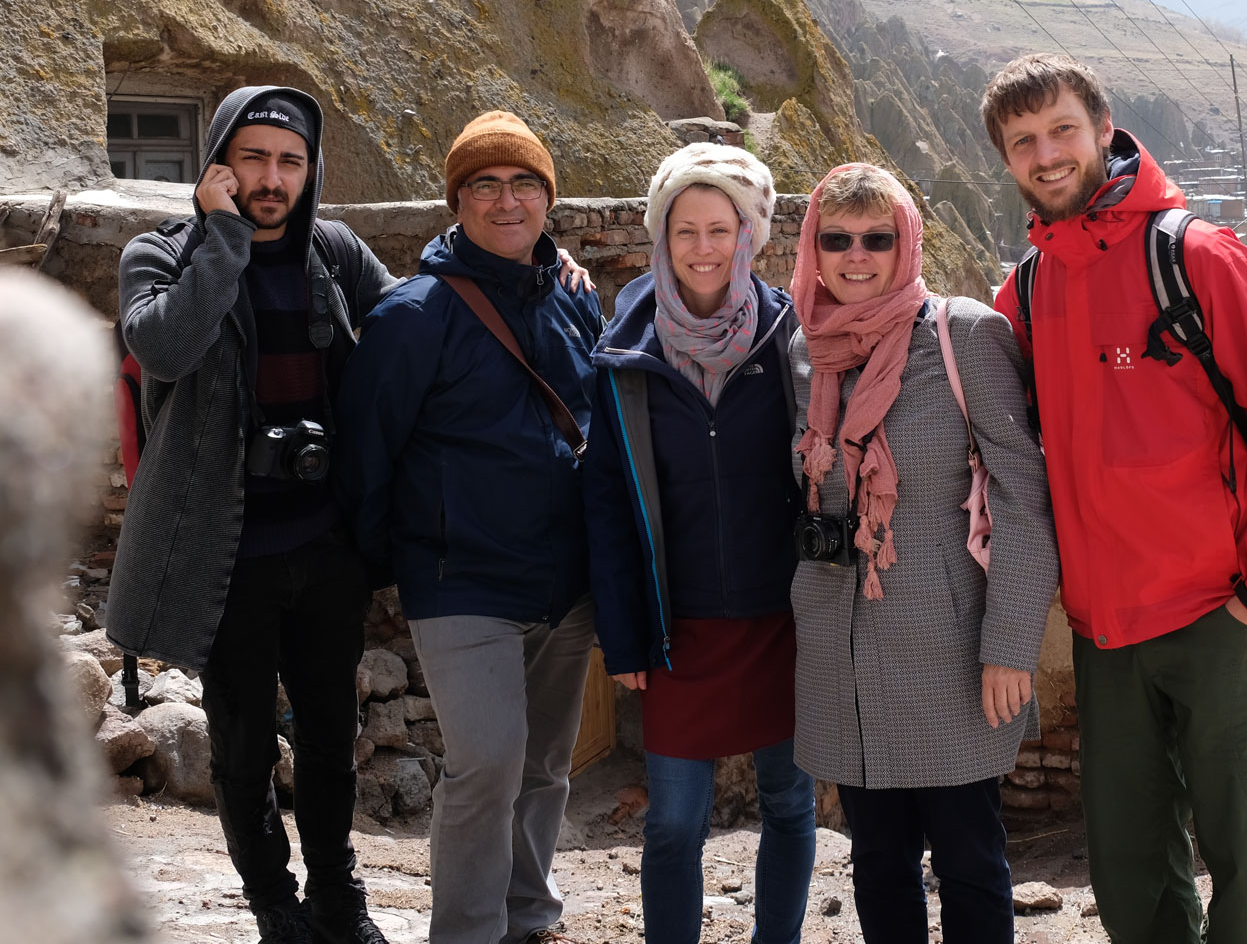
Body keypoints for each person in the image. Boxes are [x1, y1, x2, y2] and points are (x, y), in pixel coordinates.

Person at [984, 54, 1247, 944]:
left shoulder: (1195, 259)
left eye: (1062, 128)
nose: (1047, 152)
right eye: (1023, 140)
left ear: (1104, 129)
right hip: (1107, 631)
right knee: (1128, 867)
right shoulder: (1027, 292)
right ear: (1007, 160)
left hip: (1222, 614)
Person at [109, 86, 395, 944]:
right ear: (220, 163)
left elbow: (417, 323)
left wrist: (541, 266)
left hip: (326, 543)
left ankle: (339, 896)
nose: (272, 179)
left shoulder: (333, 253)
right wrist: (224, 236)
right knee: (239, 743)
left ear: (311, 171)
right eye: (255, 158)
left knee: (329, 731)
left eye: (291, 162)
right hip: (221, 551)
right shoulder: (157, 253)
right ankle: (274, 902)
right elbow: (162, 344)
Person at [335, 111, 603, 944]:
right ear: (457, 201)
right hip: (462, 581)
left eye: (524, 182)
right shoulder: (415, 317)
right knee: (486, 759)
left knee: (546, 764)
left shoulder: (570, 302)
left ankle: (528, 913)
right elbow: (364, 456)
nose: (506, 199)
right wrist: (406, 564)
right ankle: (465, 931)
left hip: (565, 580)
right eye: (484, 184)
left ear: (548, 199)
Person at [788, 163, 1060, 944]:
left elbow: (1022, 499)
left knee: (971, 858)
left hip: (948, 651)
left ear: (906, 241)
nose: (856, 255)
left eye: (878, 237)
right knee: (876, 858)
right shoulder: (807, 349)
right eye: (836, 238)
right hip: (841, 645)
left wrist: (1011, 646)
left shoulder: (963, 333)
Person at [583, 143, 815, 944]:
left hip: (782, 621)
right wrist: (623, 633)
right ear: (662, 234)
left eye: (722, 228)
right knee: (675, 824)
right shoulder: (625, 355)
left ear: (749, 235)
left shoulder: (791, 338)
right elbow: (609, 503)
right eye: (687, 229)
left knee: (790, 805)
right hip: (675, 627)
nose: (705, 247)